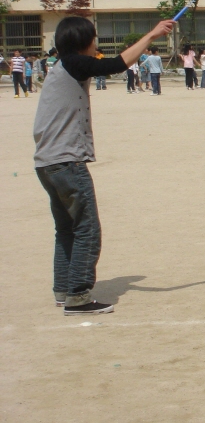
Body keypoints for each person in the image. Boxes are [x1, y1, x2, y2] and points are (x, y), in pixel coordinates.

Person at [34, 16, 174, 314]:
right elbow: (115, 65)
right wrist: (152, 34)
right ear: (83, 41)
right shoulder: (74, 63)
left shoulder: (62, 66)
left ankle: (63, 290)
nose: (96, 43)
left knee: (67, 230)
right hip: (66, 162)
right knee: (87, 229)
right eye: (94, 38)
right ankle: (79, 297)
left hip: (47, 164)